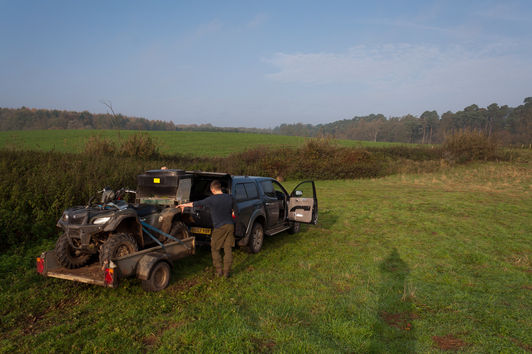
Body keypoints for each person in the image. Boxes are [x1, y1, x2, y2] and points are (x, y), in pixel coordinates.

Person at [177, 180, 236, 278]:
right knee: (228, 249)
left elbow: (196, 204)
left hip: (219, 227)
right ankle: (226, 272)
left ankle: (219, 271)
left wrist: (183, 205)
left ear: (212, 189)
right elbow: (235, 212)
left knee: (214, 248)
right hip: (230, 226)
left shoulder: (211, 199)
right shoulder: (230, 198)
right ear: (220, 188)